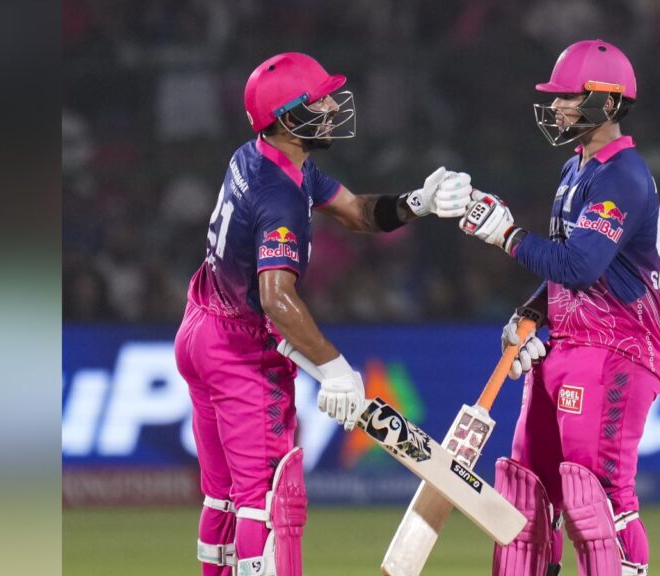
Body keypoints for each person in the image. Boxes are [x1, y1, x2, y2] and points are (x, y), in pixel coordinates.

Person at [173, 52, 472, 576]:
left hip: (200, 326)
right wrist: (334, 367)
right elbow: (275, 296)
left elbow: (355, 211)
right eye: (320, 100)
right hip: (241, 349)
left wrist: (415, 203)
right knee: (264, 501)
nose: (334, 107)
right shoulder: (280, 194)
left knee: (222, 497)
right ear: (289, 118)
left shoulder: (260, 156)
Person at [458, 39, 660, 576]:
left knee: (597, 497)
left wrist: (506, 236)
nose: (556, 108)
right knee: (527, 495)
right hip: (567, 345)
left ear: (610, 102)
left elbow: (581, 266)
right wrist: (530, 314)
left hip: (616, 350)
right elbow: (565, 280)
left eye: (569, 97)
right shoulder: (577, 168)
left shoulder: (623, 175)